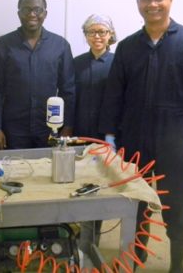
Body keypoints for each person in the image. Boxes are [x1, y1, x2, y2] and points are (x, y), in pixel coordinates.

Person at [99, 0, 183, 272]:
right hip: (133, 140)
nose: (152, 4)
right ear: (137, 2)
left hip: (174, 143)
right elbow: (114, 95)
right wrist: (110, 136)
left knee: (177, 207)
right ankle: (134, 259)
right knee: (134, 206)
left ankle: (177, 266)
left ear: (170, 0)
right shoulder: (127, 47)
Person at [0, 0, 75, 150]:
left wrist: (68, 126)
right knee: (15, 171)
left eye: (37, 9)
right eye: (26, 9)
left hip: (49, 128)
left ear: (45, 13)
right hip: (13, 129)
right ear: (19, 13)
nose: (32, 14)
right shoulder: (2, 45)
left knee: (48, 170)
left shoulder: (60, 46)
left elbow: (68, 90)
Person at [74, 14, 116, 254]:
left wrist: (113, 135)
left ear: (110, 35)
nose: (97, 36)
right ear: (86, 35)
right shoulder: (77, 62)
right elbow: (70, 96)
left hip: (106, 137)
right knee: (80, 184)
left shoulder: (118, 63)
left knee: (98, 186)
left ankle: (91, 241)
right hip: (80, 135)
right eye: (92, 32)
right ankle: (81, 236)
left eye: (102, 31)